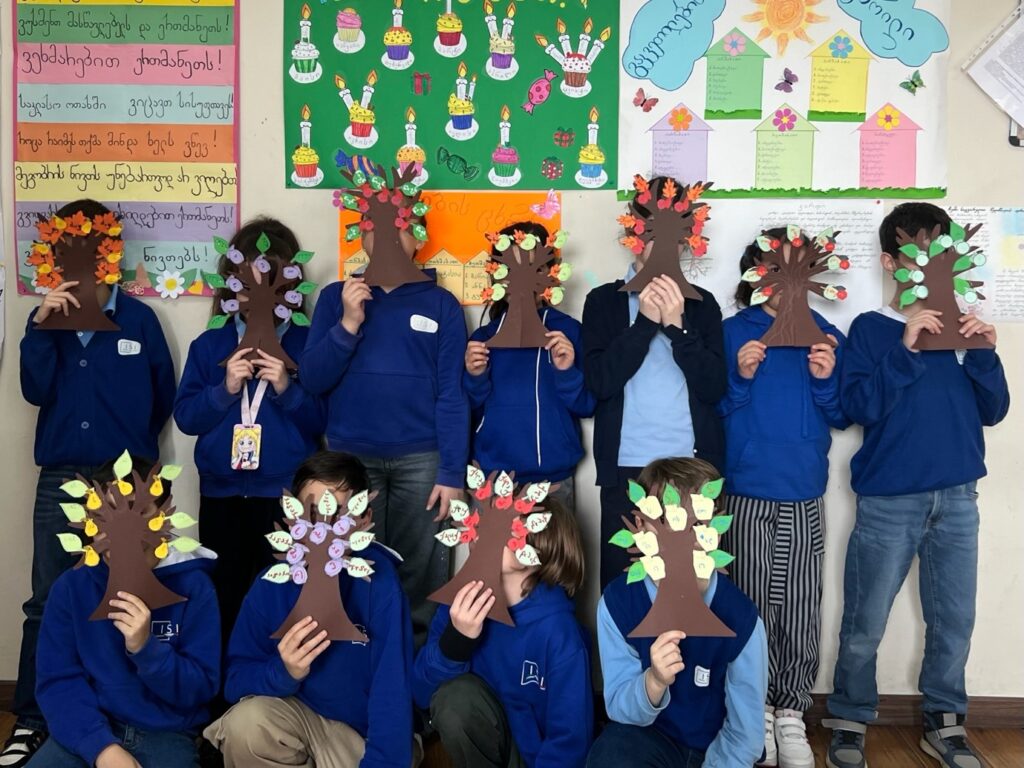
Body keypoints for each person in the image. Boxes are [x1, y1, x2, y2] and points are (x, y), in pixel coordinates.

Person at [824, 204, 1010, 768]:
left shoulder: (963, 328)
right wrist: (904, 348)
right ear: (890, 262)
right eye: (916, 255)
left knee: (954, 620)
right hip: (889, 499)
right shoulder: (871, 329)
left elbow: (994, 411)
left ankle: (945, 721)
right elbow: (857, 407)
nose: (930, 266)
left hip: (958, 498)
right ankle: (849, 717)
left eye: (941, 255)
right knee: (865, 620)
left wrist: (984, 354)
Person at [5, 200, 176, 767]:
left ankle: (124, 711)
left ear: (111, 256)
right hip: (61, 478)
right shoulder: (45, 321)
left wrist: (130, 456)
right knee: (47, 598)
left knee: (128, 592)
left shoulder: (140, 320)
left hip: (126, 486)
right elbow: (34, 391)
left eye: (93, 252)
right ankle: (33, 718)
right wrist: (40, 326)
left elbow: (162, 397)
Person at [300, 209, 469, 645]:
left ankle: (417, 662)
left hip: (423, 458)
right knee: (352, 563)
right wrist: (348, 323)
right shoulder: (336, 297)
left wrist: (452, 473)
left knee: (420, 570)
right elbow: (313, 379)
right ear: (362, 236)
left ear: (419, 238)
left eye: (400, 228)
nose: (389, 238)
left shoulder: (442, 304)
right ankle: (357, 652)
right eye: (375, 227)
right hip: (351, 458)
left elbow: (453, 393)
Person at [718, 228, 849, 768]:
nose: (785, 280)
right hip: (744, 491)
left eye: (797, 268)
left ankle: (790, 709)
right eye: (774, 268)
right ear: (755, 274)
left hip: (803, 492)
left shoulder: (827, 335)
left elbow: (841, 415)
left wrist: (825, 380)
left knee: (798, 605)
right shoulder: (732, 332)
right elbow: (712, 410)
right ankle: (753, 712)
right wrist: (741, 376)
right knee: (747, 604)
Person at [204, 451, 416, 768]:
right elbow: (235, 681)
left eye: (338, 513)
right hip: (296, 725)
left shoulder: (380, 583)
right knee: (245, 723)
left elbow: (393, 690)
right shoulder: (271, 583)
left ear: (364, 518)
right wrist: (284, 672)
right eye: (312, 513)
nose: (323, 528)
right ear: (293, 517)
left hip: (361, 739)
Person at [174, 217, 324, 644]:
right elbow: (186, 418)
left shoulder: (307, 344)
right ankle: (226, 681)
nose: (254, 295)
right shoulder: (210, 345)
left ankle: (276, 678)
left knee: (283, 599)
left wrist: (287, 389)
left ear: (289, 285)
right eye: (244, 284)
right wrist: (223, 390)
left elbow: (322, 422)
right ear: (229, 286)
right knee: (226, 596)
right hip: (221, 495)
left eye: (269, 282)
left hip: (284, 495)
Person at [27, 457, 220, 768]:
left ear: (164, 517)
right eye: (105, 516)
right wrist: (101, 749)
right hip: (86, 729)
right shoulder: (72, 588)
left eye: (139, 512)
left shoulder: (194, 587)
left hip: (166, 733)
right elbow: (58, 682)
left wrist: (147, 648)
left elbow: (199, 688)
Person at [583, 176, 726, 588]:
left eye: (677, 236)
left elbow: (713, 387)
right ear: (633, 235)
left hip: (693, 469)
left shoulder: (702, 304)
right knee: (626, 584)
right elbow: (600, 383)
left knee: (693, 586)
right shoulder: (604, 302)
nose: (663, 247)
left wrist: (678, 328)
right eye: (650, 233)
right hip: (627, 468)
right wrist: (644, 323)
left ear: (688, 240)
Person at [588, 458, 768, 768]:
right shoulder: (618, 605)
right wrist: (654, 682)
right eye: (668, 521)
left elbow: (745, 733)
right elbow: (618, 706)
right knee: (610, 754)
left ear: (717, 530)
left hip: (712, 751)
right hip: (647, 742)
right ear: (641, 526)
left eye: (698, 524)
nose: (684, 536)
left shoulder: (741, 618)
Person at [414, 498, 592, 767]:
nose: (484, 533)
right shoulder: (459, 602)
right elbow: (420, 694)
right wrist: (455, 644)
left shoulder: (559, 632)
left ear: (542, 548)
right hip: (486, 748)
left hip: (538, 760)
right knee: (455, 698)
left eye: (507, 528)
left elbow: (570, 738)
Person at [464, 221, 595, 511]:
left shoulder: (568, 332)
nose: (522, 279)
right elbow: (466, 411)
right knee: (492, 544)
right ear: (497, 274)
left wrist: (566, 372)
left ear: (551, 273)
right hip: (492, 480)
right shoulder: (482, 339)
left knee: (556, 544)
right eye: (510, 269)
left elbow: (587, 406)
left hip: (553, 481)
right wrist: (475, 377)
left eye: (535, 268)